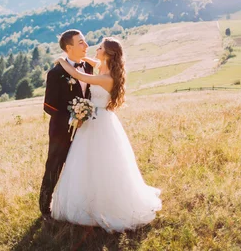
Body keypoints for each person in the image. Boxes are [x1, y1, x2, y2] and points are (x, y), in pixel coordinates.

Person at [51, 37, 162, 232]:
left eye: (100, 47)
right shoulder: (104, 67)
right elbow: (89, 63)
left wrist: (61, 61)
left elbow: (80, 76)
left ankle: (103, 205)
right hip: (94, 119)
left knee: (102, 163)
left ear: (108, 53)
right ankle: (90, 200)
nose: (96, 49)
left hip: (100, 121)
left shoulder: (106, 77)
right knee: (87, 162)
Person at [39, 29, 93, 220]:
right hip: (61, 130)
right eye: (81, 42)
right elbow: (49, 107)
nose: (86, 46)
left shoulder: (88, 68)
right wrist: (73, 117)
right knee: (54, 165)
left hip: (85, 130)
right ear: (69, 48)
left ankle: (77, 204)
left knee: (81, 165)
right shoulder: (56, 73)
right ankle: (45, 208)